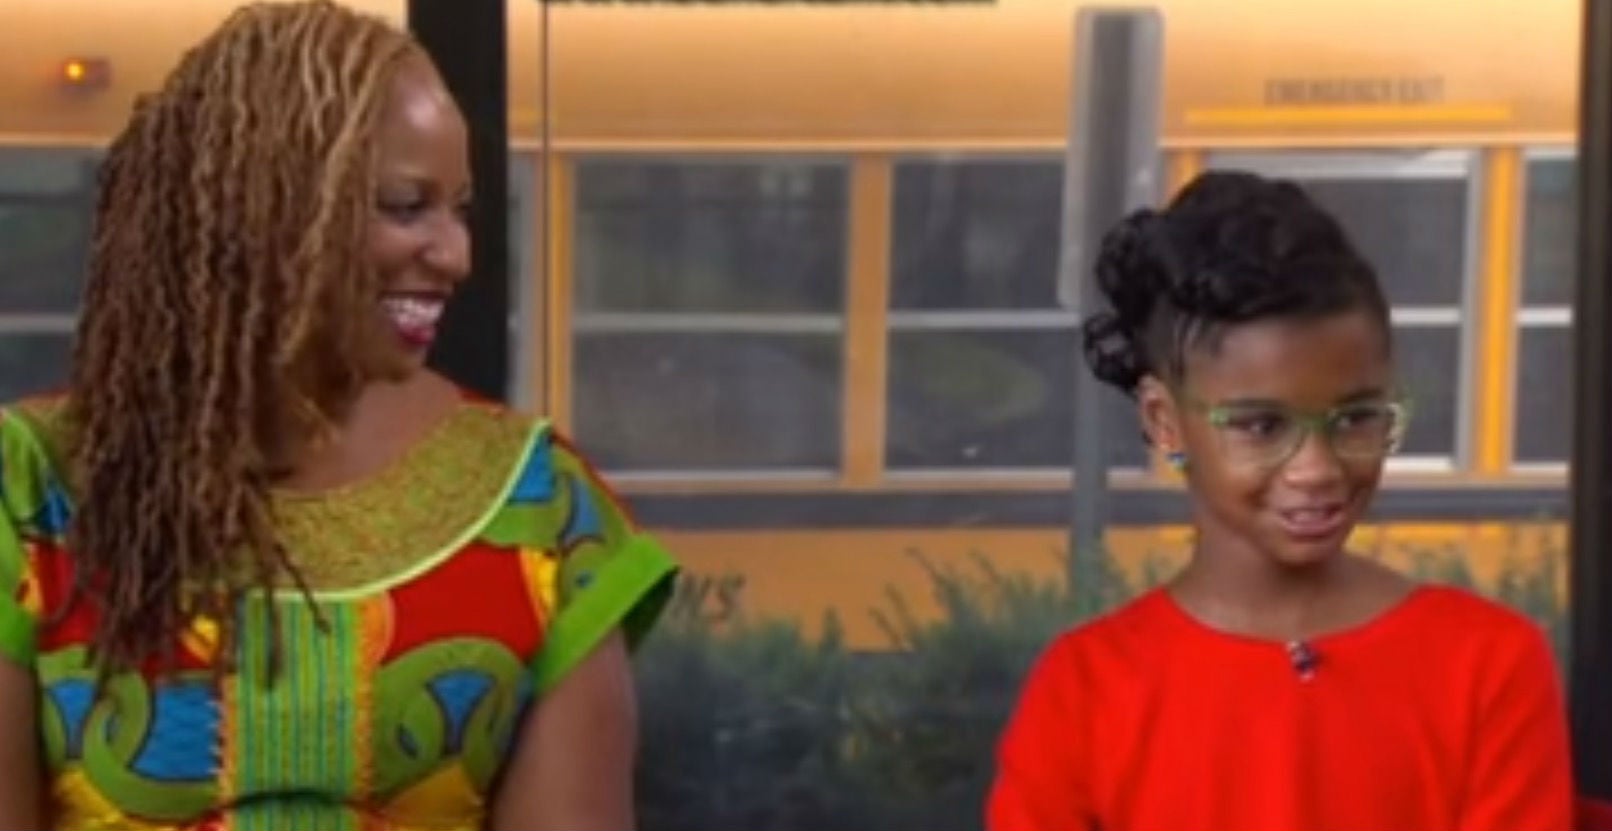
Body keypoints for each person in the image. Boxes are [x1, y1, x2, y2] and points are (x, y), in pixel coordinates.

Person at [0, 2, 677, 829]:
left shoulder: (542, 516)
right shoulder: (27, 497)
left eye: (460, 208)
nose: (457, 254)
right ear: (264, 210)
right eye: (404, 205)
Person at [985, 171, 1573, 831]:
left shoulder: (1488, 666)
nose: (1317, 468)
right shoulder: (1085, 690)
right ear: (1164, 418)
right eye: (1261, 426)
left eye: (1356, 418)